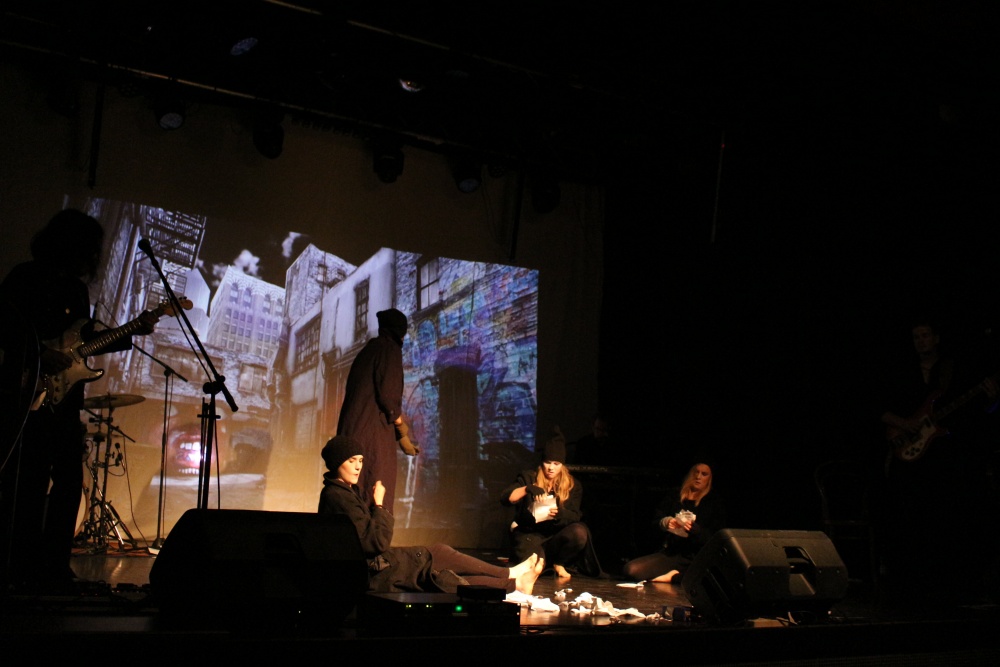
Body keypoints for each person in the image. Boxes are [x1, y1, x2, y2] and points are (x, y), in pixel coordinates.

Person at [0, 209, 156, 593]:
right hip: (26, 394)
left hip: (66, 401)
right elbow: (4, 326)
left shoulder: (77, 290)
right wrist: (40, 352)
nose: (93, 256)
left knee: (70, 482)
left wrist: (133, 330)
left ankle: (55, 565)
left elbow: (81, 344)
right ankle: (20, 565)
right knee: (29, 481)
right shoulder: (24, 277)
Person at [318, 434, 544, 595]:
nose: (358, 466)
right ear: (337, 463)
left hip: (378, 566)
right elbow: (375, 542)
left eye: (360, 460)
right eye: (351, 461)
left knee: (441, 559)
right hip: (376, 571)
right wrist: (378, 506)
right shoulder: (338, 496)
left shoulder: (343, 492)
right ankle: (512, 581)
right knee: (440, 573)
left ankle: (511, 579)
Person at [875, 317, 998, 599]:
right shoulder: (901, 372)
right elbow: (879, 408)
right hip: (909, 460)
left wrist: (993, 400)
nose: (921, 341)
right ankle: (910, 583)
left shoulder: (953, 369)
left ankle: (948, 582)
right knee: (910, 518)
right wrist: (905, 425)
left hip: (943, 457)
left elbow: (981, 411)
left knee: (945, 516)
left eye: (925, 335)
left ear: (937, 338)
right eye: (916, 337)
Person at [336, 308, 418, 514]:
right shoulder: (389, 349)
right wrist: (402, 432)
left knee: (351, 494)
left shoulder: (368, 351)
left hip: (352, 434)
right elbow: (389, 397)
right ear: (400, 332)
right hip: (371, 436)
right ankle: (373, 533)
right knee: (374, 489)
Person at [500, 426, 603, 580]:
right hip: (530, 535)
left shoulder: (572, 484)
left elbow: (575, 515)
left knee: (579, 532)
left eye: (556, 463)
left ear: (562, 464)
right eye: (548, 463)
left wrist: (560, 514)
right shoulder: (530, 477)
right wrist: (527, 489)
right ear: (542, 462)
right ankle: (542, 561)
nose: (551, 468)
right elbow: (506, 498)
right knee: (533, 567)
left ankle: (559, 562)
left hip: (555, 536)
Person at [621, 461, 725, 584]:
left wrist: (697, 531)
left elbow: (716, 538)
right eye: (696, 472)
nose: (698, 477)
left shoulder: (713, 502)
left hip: (694, 557)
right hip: (671, 553)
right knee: (631, 570)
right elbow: (656, 521)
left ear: (709, 478)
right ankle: (675, 576)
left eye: (704, 474)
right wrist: (666, 522)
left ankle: (675, 577)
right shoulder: (675, 495)